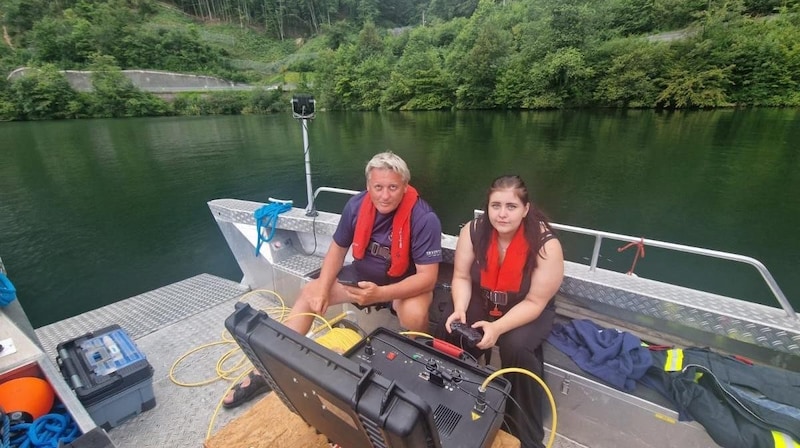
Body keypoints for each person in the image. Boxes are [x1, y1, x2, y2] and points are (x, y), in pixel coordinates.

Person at [224, 151, 443, 408]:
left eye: (393, 187)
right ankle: (270, 366)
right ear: (368, 186)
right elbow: (337, 251)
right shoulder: (356, 206)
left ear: (405, 186)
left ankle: (421, 372)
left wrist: (381, 294)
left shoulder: (424, 218)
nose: (385, 195)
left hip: (403, 284)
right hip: (363, 279)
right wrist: (323, 289)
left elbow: (427, 279)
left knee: (415, 314)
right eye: (378, 187)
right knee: (310, 292)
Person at [441, 175, 563, 448]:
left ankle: (523, 431)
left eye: (511, 206)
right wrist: (460, 308)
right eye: (496, 206)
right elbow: (461, 277)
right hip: (483, 296)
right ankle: (457, 404)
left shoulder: (546, 245)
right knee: (453, 328)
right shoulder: (473, 232)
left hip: (526, 306)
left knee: (516, 346)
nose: (502, 214)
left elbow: (535, 302)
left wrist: (497, 328)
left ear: (526, 209)